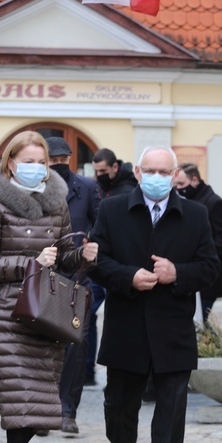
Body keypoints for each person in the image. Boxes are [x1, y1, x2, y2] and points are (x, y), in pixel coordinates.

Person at [0, 131, 98, 443]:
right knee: (20, 398)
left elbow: (63, 260)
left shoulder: (56, 203)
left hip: (45, 315)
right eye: (28, 162)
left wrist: (81, 255)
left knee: (38, 403)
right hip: (6, 315)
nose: (36, 168)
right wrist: (31, 263)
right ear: (10, 163)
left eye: (40, 163)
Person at [88, 146, 219, 443]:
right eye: (151, 171)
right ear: (137, 173)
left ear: (176, 175)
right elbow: (97, 262)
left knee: (171, 418)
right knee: (118, 410)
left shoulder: (195, 214)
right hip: (126, 328)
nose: (157, 178)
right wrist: (128, 276)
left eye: (164, 172)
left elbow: (209, 268)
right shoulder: (113, 209)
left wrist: (178, 273)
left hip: (172, 331)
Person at [45, 136, 101, 436]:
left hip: (77, 278)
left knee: (74, 348)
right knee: (42, 345)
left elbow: (101, 226)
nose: (58, 164)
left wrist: (90, 253)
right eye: (53, 160)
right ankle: (43, 410)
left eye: (63, 160)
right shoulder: (32, 188)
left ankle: (68, 410)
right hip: (40, 277)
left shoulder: (88, 188)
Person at [87, 147, 138, 386]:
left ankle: (114, 371)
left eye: (103, 171)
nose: (99, 175)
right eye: (96, 171)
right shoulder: (102, 188)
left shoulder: (126, 191)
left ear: (115, 167)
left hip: (117, 265)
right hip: (98, 261)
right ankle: (88, 369)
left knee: (114, 317)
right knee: (88, 314)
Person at [174, 163, 222, 325]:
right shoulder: (188, 201)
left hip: (208, 277)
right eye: (176, 185)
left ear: (195, 180)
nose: (178, 189)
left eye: (181, 184)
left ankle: (214, 349)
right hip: (192, 274)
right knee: (198, 324)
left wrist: (200, 251)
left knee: (200, 323)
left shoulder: (214, 203)